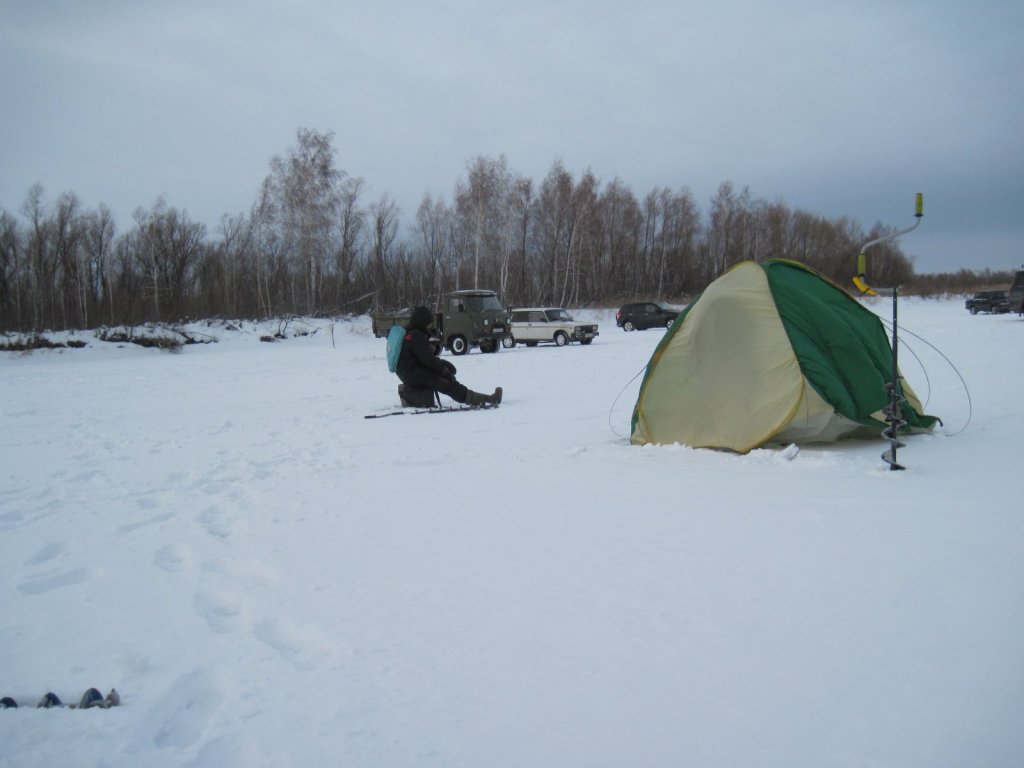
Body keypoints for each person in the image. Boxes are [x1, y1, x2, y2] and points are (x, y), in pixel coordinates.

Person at [395, 306, 502, 407]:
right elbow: (428, 360)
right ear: (422, 322)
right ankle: (488, 399)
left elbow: (424, 359)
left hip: (410, 372)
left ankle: (480, 398)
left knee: (444, 379)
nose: (429, 326)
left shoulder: (410, 332)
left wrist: (441, 365)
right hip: (414, 373)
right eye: (427, 323)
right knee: (447, 384)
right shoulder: (416, 336)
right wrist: (444, 371)